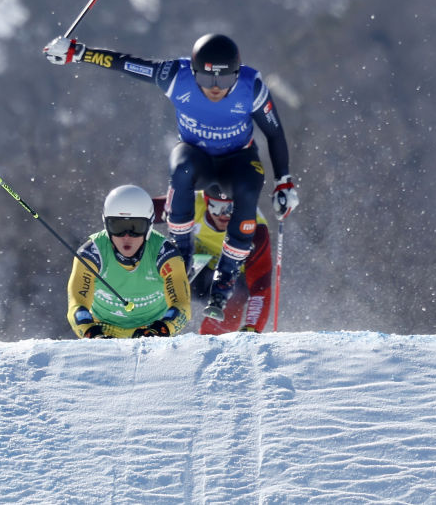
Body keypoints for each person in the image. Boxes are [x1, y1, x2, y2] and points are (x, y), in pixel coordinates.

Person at [44, 32, 298, 320]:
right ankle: (182, 252)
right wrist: (78, 52)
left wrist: (283, 182)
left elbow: (274, 134)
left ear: (237, 74)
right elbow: (127, 64)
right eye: (206, 80)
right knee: (181, 169)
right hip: (196, 155)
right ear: (193, 71)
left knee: (249, 188)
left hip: (237, 159)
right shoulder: (176, 76)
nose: (215, 89)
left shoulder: (252, 87)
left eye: (225, 81)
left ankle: (225, 278)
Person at [66, 185, 191, 338]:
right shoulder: (91, 255)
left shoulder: (165, 254)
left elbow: (182, 305)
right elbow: (77, 305)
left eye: (136, 227)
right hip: (104, 331)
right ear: (106, 225)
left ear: (150, 226)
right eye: (118, 226)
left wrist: (160, 330)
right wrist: (91, 333)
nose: (126, 236)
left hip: (152, 331)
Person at [153, 184, 273, 334]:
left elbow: (260, 288)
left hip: (233, 278)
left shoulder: (255, 229)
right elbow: (144, 210)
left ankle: (212, 342)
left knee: (234, 298)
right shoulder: (191, 203)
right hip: (197, 267)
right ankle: (147, 321)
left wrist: (253, 328)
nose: (223, 215)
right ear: (206, 201)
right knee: (167, 260)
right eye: (216, 207)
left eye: (230, 209)